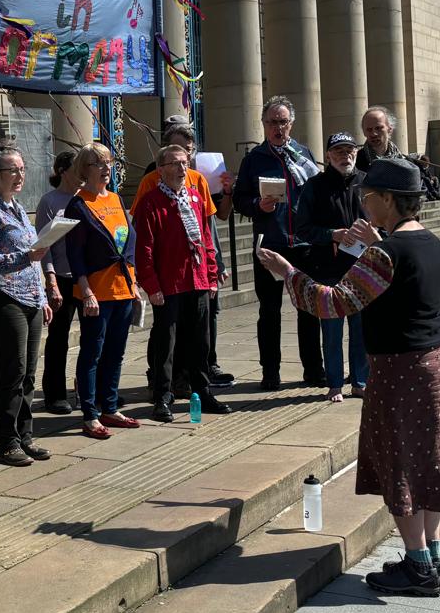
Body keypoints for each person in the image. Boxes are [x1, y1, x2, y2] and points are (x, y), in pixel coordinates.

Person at [257, 157, 440, 597]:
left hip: (400, 367)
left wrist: (288, 273)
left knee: (399, 462)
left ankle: (419, 568)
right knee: (427, 459)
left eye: (368, 197)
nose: (363, 203)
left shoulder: (385, 253)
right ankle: (433, 556)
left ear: (388, 200)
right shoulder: (430, 242)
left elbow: (334, 302)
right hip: (435, 361)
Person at [130, 115, 233, 401]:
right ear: (162, 167)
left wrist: (214, 271)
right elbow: (144, 243)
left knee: (200, 337)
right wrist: (151, 284)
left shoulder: (198, 186)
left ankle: (201, 387)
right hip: (169, 278)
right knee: (167, 337)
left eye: (187, 156)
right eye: (176, 159)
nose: (183, 164)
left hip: (198, 276)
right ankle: (163, 389)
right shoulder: (151, 192)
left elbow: (207, 233)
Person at [232, 95, 324, 391]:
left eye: (283, 122)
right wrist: (259, 204)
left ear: (291, 124)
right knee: (269, 311)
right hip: (270, 246)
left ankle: (313, 369)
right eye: (272, 122)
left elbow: (315, 195)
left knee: (308, 309)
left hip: (304, 246)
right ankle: (270, 372)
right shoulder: (254, 159)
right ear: (263, 124)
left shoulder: (304, 153)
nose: (278, 128)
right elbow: (240, 200)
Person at [0, 144, 53, 466]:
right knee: (12, 370)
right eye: (11, 170)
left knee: (29, 371)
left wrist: (43, 296)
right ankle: (5, 442)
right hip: (2, 298)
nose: (19, 175)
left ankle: (25, 436)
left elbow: (35, 262)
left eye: (22, 169)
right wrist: (24, 256)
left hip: (31, 298)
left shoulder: (19, 209)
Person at [64, 142, 140, 440]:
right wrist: (86, 292)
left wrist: (134, 284)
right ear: (85, 169)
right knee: (92, 353)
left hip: (123, 289)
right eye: (99, 163)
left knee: (116, 352)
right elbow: (75, 253)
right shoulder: (78, 204)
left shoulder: (117, 200)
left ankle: (109, 406)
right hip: (96, 292)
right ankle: (90, 415)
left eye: (109, 162)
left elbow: (127, 243)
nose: (106, 168)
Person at [296, 133, 370, 403]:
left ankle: (360, 382)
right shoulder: (314, 186)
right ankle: (335, 383)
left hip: (362, 269)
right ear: (327, 156)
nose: (345, 155)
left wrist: (371, 233)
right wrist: (332, 235)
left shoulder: (367, 182)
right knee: (331, 330)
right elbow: (302, 228)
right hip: (327, 269)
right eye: (338, 151)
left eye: (349, 150)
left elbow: (383, 220)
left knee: (361, 330)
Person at [33, 150, 78, 414]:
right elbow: (44, 244)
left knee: (95, 338)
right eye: (77, 167)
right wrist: (51, 280)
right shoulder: (49, 201)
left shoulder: (85, 198)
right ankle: (55, 394)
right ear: (62, 171)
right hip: (60, 276)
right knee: (59, 338)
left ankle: (87, 390)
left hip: (86, 276)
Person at [357, 106, 402, 172]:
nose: (374, 134)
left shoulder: (403, 161)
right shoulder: (355, 163)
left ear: (390, 129)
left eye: (378, 128)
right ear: (364, 132)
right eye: (369, 129)